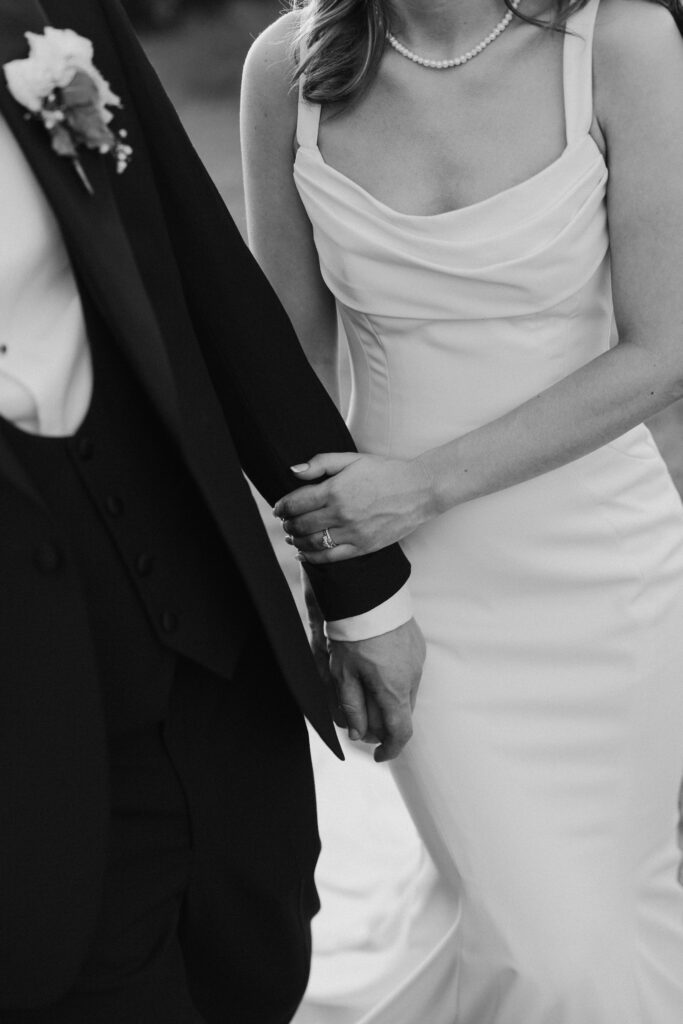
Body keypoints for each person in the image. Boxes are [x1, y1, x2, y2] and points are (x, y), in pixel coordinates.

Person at [241, 0, 683, 1019]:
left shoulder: (618, 44)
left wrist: (423, 483)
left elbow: (662, 356)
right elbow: (287, 370)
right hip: (411, 588)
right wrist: (344, 595)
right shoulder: (288, 69)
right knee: (537, 939)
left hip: (602, 575)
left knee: (590, 925)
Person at [0, 1, 426, 1021]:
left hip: (209, 655)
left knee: (256, 951)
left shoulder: (43, 14)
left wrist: (360, 591)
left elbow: (206, 277)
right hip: (28, 740)